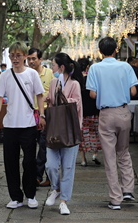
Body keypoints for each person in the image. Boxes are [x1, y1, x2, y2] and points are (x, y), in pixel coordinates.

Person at [86, 37, 138, 210]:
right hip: (123, 112)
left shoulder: (95, 68)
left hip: (106, 114)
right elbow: (133, 91)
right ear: (116, 49)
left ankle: (116, 199)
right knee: (124, 152)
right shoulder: (126, 66)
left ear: (100, 52)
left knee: (109, 157)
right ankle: (128, 190)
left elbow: (92, 94)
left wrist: (105, 91)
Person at [0, 42, 46, 209]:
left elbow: (40, 95)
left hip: (28, 124)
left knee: (29, 162)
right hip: (10, 126)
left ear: (25, 56)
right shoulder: (5, 76)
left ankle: (30, 195)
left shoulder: (32, 74)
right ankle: (15, 197)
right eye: (12, 55)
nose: (15, 59)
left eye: (18, 55)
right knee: (10, 162)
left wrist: (42, 115)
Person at [44, 53, 84, 215]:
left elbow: (77, 105)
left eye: (54, 65)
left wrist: (63, 96)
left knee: (68, 167)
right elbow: (51, 102)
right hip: (55, 128)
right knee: (50, 165)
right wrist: (49, 98)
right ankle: (57, 188)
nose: (52, 68)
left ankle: (63, 201)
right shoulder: (54, 82)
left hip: (71, 129)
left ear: (61, 67)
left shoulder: (74, 84)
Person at [27, 47, 54, 187]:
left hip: (45, 114)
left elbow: (54, 92)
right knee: (30, 145)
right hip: (29, 114)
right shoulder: (24, 74)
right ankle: (35, 175)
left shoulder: (49, 73)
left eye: (33, 59)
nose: (31, 61)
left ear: (40, 60)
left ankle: (40, 176)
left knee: (44, 146)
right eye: (29, 59)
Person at [77, 58, 101, 166]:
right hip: (94, 110)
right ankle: (95, 154)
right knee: (95, 133)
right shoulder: (92, 78)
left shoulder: (76, 80)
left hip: (82, 112)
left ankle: (83, 159)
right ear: (88, 66)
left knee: (82, 135)